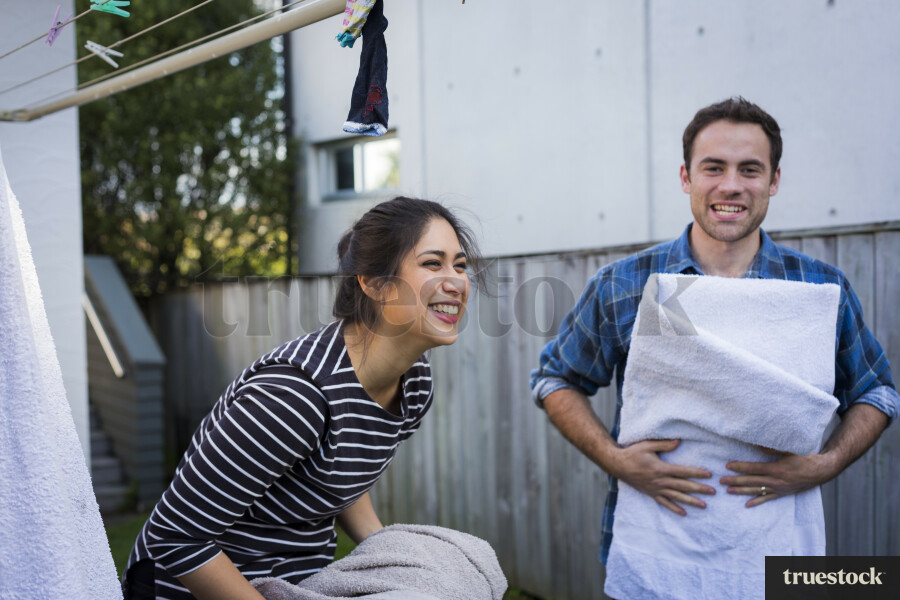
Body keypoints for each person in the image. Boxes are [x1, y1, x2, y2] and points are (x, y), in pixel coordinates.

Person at [530, 97, 898, 592]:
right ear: (686, 177)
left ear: (774, 181)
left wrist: (825, 464)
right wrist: (616, 460)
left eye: (750, 169)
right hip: (655, 553)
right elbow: (555, 378)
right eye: (713, 168)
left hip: (778, 556)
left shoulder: (816, 288)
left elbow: (878, 392)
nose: (731, 185)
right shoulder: (628, 283)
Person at [123, 197, 483, 600]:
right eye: (433, 264)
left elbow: (337, 469)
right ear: (373, 282)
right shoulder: (294, 396)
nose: (456, 282)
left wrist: (388, 556)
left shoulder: (414, 383)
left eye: (460, 265)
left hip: (296, 585)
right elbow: (175, 535)